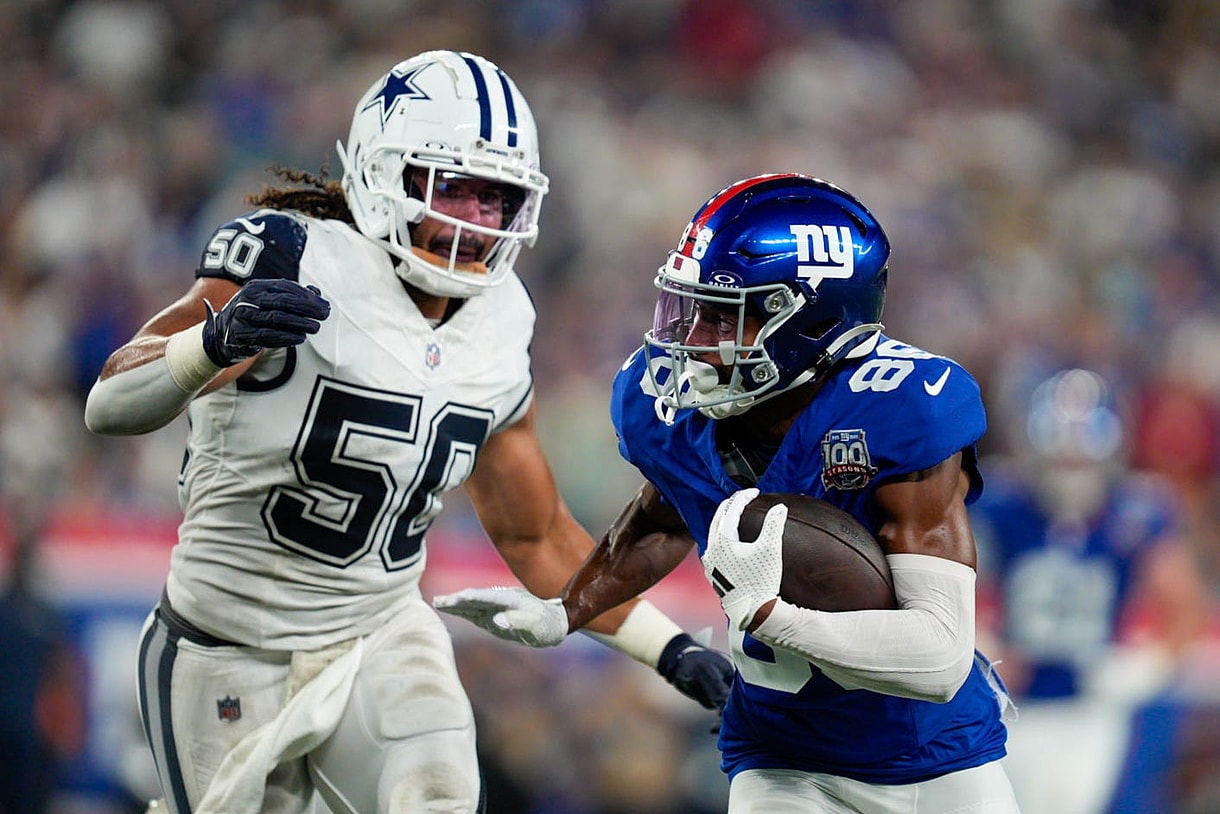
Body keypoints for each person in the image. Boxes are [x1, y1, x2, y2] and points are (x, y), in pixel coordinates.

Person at [83, 49, 731, 814]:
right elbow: (110, 401)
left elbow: (535, 535)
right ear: (383, 173)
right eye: (456, 187)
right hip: (225, 643)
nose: (478, 221)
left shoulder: (501, 319)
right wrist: (212, 342)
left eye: (498, 198)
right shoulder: (290, 252)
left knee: (438, 793)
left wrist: (670, 647)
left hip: (378, 633)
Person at [435, 173, 1022, 813]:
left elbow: (938, 661)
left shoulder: (900, 409)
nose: (694, 339)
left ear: (812, 320)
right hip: (780, 756)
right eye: (692, 311)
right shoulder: (676, 410)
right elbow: (663, 520)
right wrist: (565, 612)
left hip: (934, 756)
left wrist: (777, 619)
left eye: (723, 316)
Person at [969, 367, 1211, 814]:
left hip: (1092, 705)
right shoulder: (1001, 503)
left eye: (1080, 460)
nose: (1070, 473)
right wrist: (981, 643)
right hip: (1014, 702)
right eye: (1061, 460)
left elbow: (1185, 605)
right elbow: (948, 586)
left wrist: (1150, 664)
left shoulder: (1137, 510)